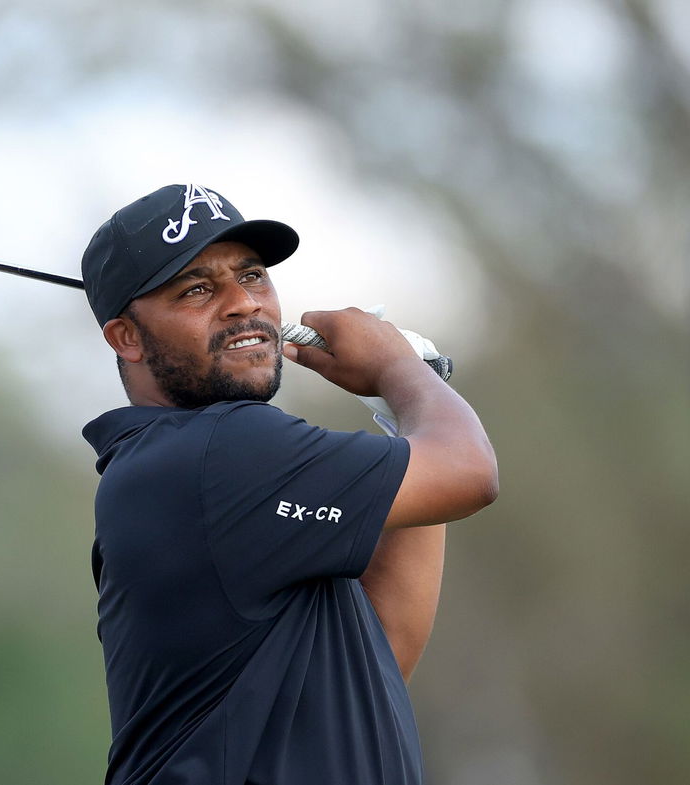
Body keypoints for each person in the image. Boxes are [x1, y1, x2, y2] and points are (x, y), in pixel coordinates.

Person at [80, 184, 498, 785]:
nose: (242, 304)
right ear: (127, 338)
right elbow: (469, 473)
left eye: (251, 276)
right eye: (197, 289)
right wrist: (398, 368)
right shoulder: (216, 452)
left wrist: (405, 393)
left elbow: (379, 654)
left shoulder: (192, 466)